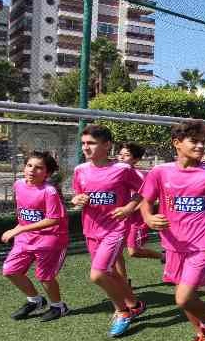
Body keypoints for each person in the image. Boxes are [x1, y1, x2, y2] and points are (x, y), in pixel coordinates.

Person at [139, 121, 205, 341]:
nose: (200, 146)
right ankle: (202, 332)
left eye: (203, 142)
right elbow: (145, 201)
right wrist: (148, 217)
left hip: (203, 244)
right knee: (185, 295)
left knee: (183, 298)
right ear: (177, 143)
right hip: (173, 244)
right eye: (194, 141)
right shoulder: (160, 172)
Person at [71, 125, 146, 337]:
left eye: (91, 143)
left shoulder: (122, 169)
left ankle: (123, 312)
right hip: (90, 230)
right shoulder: (80, 170)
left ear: (107, 145)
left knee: (98, 274)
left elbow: (145, 190)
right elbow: (77, 195)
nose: (85, 147)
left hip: (114, 229)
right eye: (84, 143)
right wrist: (77, 199)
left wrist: (129, 207)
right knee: (110, 273)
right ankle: (135, 304)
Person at [1, 151, 70, 322]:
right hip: (25, 238)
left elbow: (53, 219)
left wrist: (18, 230)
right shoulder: (18, 185)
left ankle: (58, 306)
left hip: (51, 240)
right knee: (10, 270)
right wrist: (19, 228)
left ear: (47, 173)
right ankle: (35, 301)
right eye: (29, 165)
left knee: (45, 276)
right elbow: (24, 215)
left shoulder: (50, 191)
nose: (32, 170)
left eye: (39, 168)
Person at [114, 142, 164, 286]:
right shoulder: (115, 173)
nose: (122, 157)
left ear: (135, 159)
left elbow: (147, 198)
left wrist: (129, 208)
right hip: (120, 220)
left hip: (136, 220)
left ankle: (163, 256)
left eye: (127, 155)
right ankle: (123, 282)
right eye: (120, 154)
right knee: (115, 252)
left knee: (133, 251)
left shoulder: (139, 175)